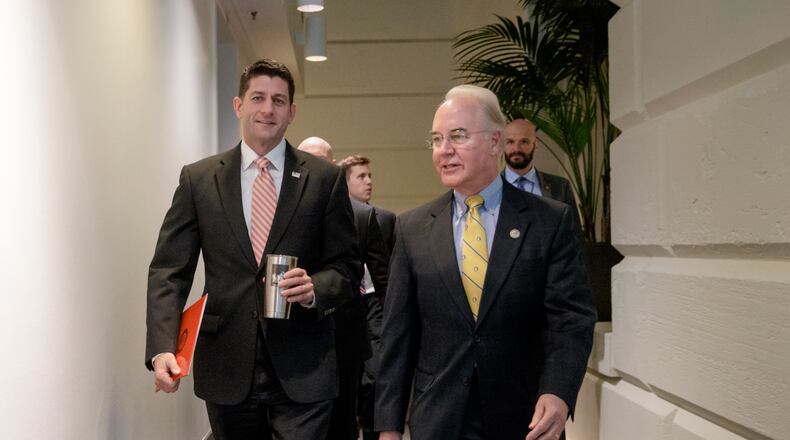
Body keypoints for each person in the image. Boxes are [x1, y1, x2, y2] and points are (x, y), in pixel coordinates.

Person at [145, 59, 361, 440]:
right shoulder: (199, 180)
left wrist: (316, 289)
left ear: (292, 112)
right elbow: (169, 269)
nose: (268, 109)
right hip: (227, 362)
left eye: (279, 101)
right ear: (238, 105)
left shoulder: (324, 179)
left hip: (304, 364)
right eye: (258, 97)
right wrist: (163, 347)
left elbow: (347, 265)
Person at [374, 85, 596, 440]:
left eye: (458, 136)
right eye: (436, 139)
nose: (444, 151)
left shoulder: (549, 221)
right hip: (440, 420)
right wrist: (388, 428)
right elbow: (398, 335)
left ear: (495, 142)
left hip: (524, 420)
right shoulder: (412, 228)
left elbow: (570, 318)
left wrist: (558, 392)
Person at [297, 137, 390, 440]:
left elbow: (380, 282)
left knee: (343, 423)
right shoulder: (284, 213)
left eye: (320, 160)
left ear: (333, 165)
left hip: (346, 340)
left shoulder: (362, 216)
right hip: (297, 341)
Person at [338, 155, 396, 255]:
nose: (369, 182)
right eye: (361, 176)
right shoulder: (334, 216)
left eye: (369, 176)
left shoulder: (386, 219)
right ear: (344, 182)